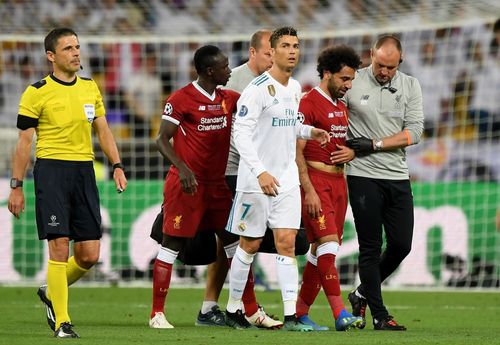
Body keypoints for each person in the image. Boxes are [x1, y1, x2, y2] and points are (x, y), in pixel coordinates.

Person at [7, 27, 127, 338]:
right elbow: (23, 143)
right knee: (59, 246)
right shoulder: (36, 92)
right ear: (51, 56)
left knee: (89, 255)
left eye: (77, 47)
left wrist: (117, 165)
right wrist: (16, 185)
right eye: (68, 48)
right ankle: (62, 321)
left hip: (84, 171)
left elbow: (103, 131)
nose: (76, 53)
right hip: (51, 172)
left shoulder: (90, 88)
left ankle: (51, 290)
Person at [224, 26, 330, 332]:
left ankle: (292, 316)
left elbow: (291, 124)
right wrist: (260, 172)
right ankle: (233, 309)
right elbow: (240, 134)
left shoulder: (295, 88)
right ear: (272, 52)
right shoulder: (256, 89)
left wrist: (311, 132)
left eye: (296, 45)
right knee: (250, 243)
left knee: (286, 243)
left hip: (286, 179)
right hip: (255, 181)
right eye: (286, 45)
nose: (293, 50)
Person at [150, 45, 240, 329]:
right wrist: (183, 168)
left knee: (235, 244)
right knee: (172, 245)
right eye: (225, 66)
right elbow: (161, 139)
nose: (229, 70)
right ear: (210, 71)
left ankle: (244, 309)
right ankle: (157, 314)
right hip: (186, 184)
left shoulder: (229, 98)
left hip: (217, 185)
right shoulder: (181, 99)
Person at [197, 29, 282, 329]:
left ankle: (213, 306)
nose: (275, 58)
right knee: (240, 241)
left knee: (233, 243)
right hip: (232, 171)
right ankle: (247, 307)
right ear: (253, 52)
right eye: (269, 53)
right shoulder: (233, 82)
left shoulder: (277, 83)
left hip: (259, 173)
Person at [344, 35, 424, 331]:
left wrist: (374, 143)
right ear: (370, 56)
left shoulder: (410, 85)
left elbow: (414, 132)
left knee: (402, 244)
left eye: (390, 67)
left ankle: (361, 292)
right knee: (370, 246)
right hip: (362, 175)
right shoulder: (352, 82)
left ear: (399, 63)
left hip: (397, 175)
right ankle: (379, 315)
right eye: (379, 65)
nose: (384, 72)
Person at [295, 45, 364, 331]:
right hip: (315, 181)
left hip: (339, 182)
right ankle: (340, 313)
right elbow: (296, 150)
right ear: (327, 74)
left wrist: (352, 153)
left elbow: (342, 144)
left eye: (351, 80)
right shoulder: (308, 102)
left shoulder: (341, 106)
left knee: (318, 250)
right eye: (344, 79)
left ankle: (300, 313)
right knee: (330, 245)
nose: (348, 85)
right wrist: (308, 189)